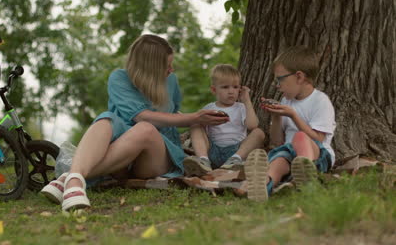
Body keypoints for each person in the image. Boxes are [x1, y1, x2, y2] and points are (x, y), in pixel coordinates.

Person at [41, 34, 230, 211]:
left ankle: (71, 177)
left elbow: (172, 115)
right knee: (106, 118)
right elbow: (141, 116)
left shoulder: (170, 81)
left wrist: (199, 119)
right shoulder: (119, 78)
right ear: (150, 68)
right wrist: (195, 116)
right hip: (121, 156)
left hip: (155, 155)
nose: (171, 70)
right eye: (167, 66)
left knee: (145, 130)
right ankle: (75, 181)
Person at [245, 46, 336, 202]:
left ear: (299, 77)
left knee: (300, 138)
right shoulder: (286, 101)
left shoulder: (320, 101)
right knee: (279, 160)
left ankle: (307, 175)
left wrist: (293, 115)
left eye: (280, 79)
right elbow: (277, 141)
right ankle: (264, 184)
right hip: (289, 152)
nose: (277, 85)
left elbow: (318, 139)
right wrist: (276, 116)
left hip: (317, 154)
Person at [184, 64, 265, 176]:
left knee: (259, 132)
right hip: (212, 150)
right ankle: (203, 161)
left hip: (236, 150)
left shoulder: (241, 107)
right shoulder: (209, 108)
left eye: (235, 87)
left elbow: (252, 126)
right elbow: (200, 130)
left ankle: (234, 161)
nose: (231, 91)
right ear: (214, 89)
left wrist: (247, 101)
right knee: (195, 125)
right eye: (225, 87)